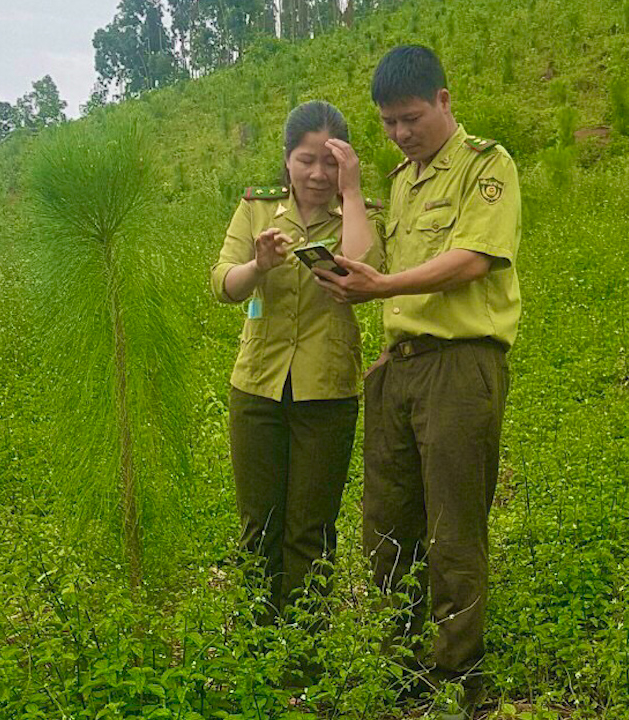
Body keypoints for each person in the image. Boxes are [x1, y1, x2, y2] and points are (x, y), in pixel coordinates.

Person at [312, 46, 521, 716]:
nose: (400, 134)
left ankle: (458, 676)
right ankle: (398, 666)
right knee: (388, 523)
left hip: (462, 367)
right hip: (398, 368)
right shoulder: (402, 182)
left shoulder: (487, 165)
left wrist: (383, 287)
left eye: (409, 118)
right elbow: (379, 264)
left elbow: (472, 260)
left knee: (454, 524)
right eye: (388, 124)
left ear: (443, 101)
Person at [209, 100, 384, 622]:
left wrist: (351, 193)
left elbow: (364, 271)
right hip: (257, 389)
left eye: (331, 162)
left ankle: (304, 651)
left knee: (311, 526)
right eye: (306, 159)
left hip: (327, 392)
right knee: (258, 522)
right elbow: (223, 284)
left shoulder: (360, 214)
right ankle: (257, 643)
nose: (317, 173)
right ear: (286, 160)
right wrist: (257, 266)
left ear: (346, 164)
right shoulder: (257, 210)